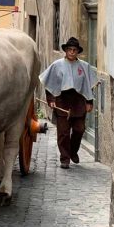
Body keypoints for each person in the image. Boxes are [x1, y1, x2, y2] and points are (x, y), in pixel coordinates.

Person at [39, 37, 97, 169]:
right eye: (69, 49)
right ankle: (65, 158)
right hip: (62, 101)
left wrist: (89, 101)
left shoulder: (84, 66)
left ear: (78, 52)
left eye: (74, 50)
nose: (72, 52)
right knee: (63, 132)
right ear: (65, 50)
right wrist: (51, 99)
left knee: (79, 129)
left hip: (78, 101)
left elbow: (88, 86)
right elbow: (49, 83)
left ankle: (73, 151)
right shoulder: (57, 65)